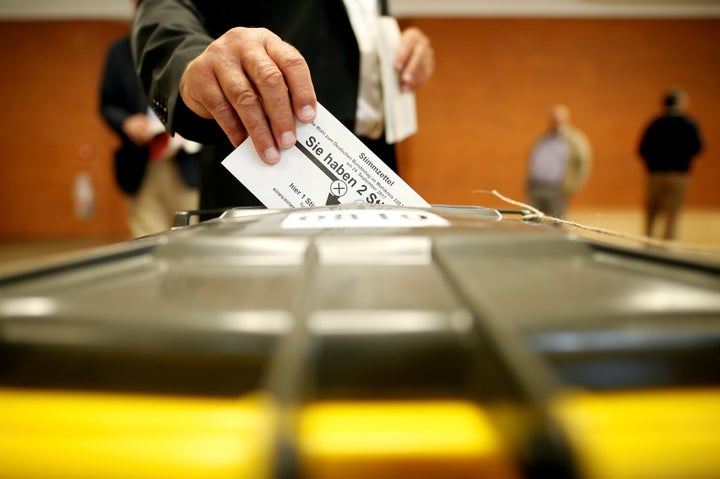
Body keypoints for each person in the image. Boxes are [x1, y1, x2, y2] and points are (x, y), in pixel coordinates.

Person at [131, 0, 434, 210]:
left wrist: (394, 49)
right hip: (269, 180)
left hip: (369, 173)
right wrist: (189, 60)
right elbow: (164, 8)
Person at [100, 2, 202, 237]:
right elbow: (107, 103)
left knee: (193, 234)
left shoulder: (199, 43)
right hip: (142, 163)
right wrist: (126, 122)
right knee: (146, 238)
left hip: (187, 163)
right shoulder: (119, 51)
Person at [638, 88, 703, 240]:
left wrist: (653, 164)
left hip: (655, 174)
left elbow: (642, 149)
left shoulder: (655, 124)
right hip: (678, 175)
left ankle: (647, 242)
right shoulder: (689, 124)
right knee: (673, 213)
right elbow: (698, 148)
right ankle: (668, 245)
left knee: (651, 212)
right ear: (680, 103)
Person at [525, 104, 592, 219]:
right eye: (552, 118)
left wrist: (572, 185)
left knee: (557, 224)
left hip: (557, 191)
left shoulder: (574, 140)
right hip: (536, 189)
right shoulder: (544, 139)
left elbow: (583, 163)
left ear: (566, 119)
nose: (555, 121)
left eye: (558, 119)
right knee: (531, 222)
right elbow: (534, 160)